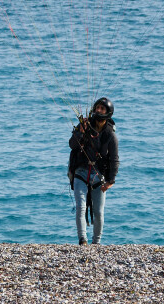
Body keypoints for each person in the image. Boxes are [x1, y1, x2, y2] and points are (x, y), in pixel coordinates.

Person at [68, 97, 119, 245]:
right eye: (97, 108)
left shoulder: (110, 134)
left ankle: (96, 243)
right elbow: (72, 145)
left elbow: (114, 159)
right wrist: (80, 132)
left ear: (108, 112)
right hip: (81, 172)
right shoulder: (83, 126)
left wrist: (111, 180)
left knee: (98, 212)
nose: (98, 110)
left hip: (98, 175)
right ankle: (82, 240)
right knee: (81, 207)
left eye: (102, 109)